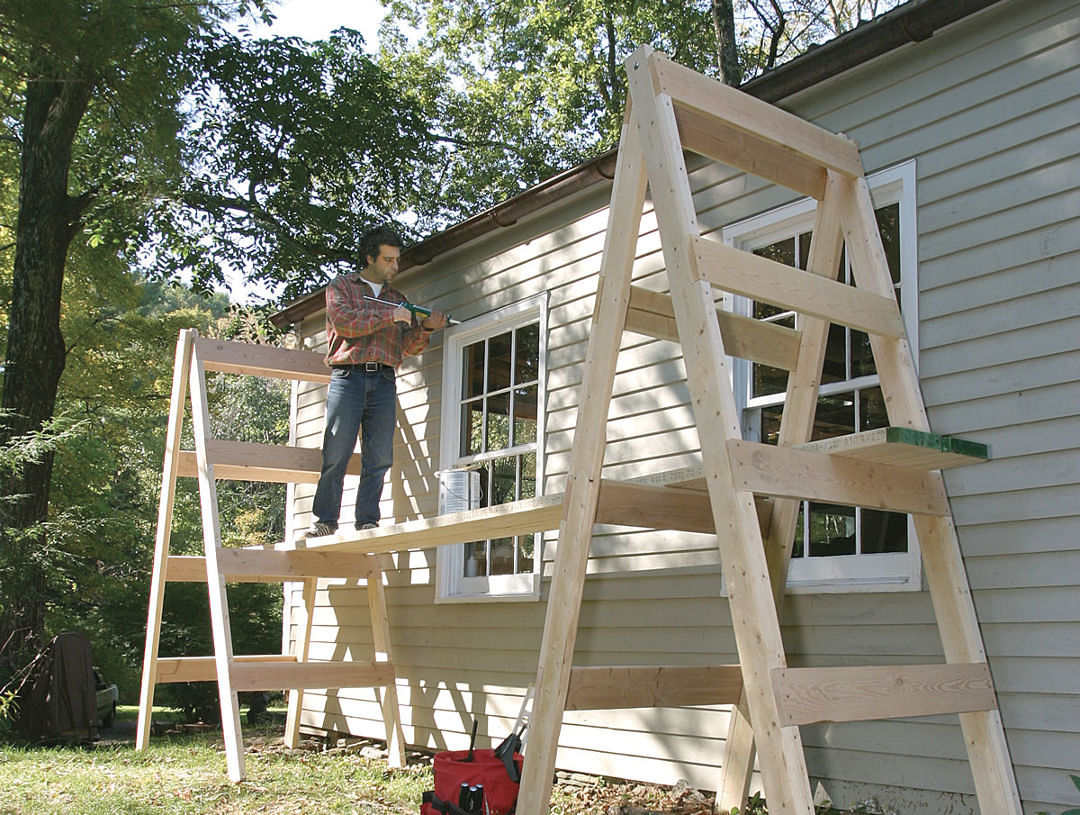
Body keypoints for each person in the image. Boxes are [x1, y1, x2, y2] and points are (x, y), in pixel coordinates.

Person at [307, 227, 449, 537]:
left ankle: (367, 521)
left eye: (397, 261)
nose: (395, 267)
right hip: (348, 377)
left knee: (380, 456)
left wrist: (425, 328)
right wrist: (390, 317)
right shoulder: (341, 287)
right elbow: (345, 324)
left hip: (384, 379)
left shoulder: (398, 299)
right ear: (370, 257)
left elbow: (404, 348)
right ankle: (325, 522)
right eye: (388, 260)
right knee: (336, 453)